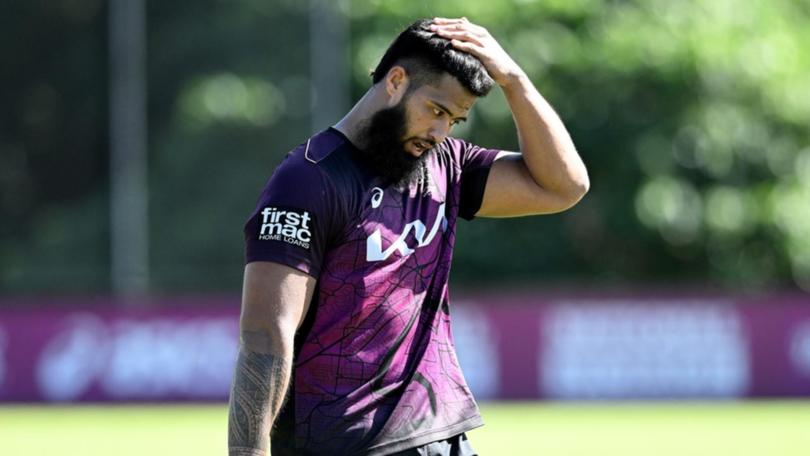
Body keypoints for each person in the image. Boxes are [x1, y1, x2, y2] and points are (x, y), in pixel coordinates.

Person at [227, 17, 589, 456]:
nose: (440, 132)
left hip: (439, 434)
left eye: (455, 121)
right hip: (343, 443)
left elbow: (564, 186)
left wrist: (515, 80)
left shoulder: (447, 166)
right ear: (396, 81)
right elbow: (267, 333)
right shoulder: (308, 180)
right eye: (436, 110)